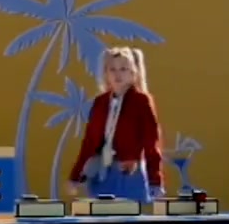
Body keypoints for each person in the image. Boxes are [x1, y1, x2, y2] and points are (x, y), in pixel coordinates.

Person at [68, 47, 165, 202]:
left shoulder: (141, 101)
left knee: (130, 215)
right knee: (100, 214)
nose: (117, 74)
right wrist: (76, 175)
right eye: (112, 69)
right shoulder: (100, 102)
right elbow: (89, 142)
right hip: (103, 172)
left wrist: (155, 180)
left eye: (123, 69)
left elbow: (151, 142)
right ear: (106, 74)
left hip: (130, 173)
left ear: (133, 73)